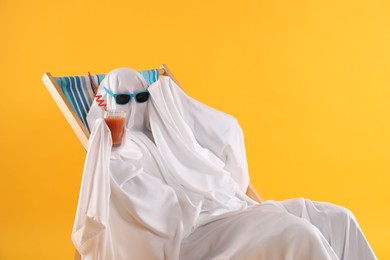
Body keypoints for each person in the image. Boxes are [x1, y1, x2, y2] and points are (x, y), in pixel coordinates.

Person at [72, 68, 377, 259]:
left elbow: (221, 142)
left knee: (339, 220)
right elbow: (146, 212)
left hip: (230, 211)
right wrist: (110, 144)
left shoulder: (168, 132)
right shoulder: (115, 153)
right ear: (106, 103)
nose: (136, 106)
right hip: (195, 237)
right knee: (301, 235)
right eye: (123, 101)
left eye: (142, 96)